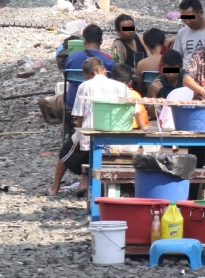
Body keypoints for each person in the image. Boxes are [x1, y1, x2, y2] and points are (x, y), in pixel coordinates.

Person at [48, 56, 139, 197]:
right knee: (87, 148)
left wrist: (78, 131)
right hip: (117, 136)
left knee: (66, 152)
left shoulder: (85, 86)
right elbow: (135, 110)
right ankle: (83, 183)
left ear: (86, 75)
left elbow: (80, 115)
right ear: (104, 70)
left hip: (92, 134)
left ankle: (55, 186)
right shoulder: (122, 86)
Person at [36, 24, 115, 125]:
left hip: (73, 101)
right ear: (101, 41)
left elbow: (67, 77)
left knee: (53, 101)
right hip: (101, 104)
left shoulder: (73, 57)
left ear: (84, 40)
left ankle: (69, 126)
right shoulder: (109, 60)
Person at [169, 0, 205, 67]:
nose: (187, 22)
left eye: (190, 18)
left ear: (201, 13)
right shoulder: (182, 33)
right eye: (184, 19)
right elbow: (175, 59)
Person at [109, 64, 149, 130]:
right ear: (130, 83)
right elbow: (139, 114)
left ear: (112, 79)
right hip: (133, 128)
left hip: (111, 128)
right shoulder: (135, 94)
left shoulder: (106, 93)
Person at [135, 28, 166, 96]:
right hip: (170, 96)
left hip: (151, 98)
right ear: (164, 42)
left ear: (147, 46)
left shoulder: (142, 64)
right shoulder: (172, 59)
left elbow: (140, 86)